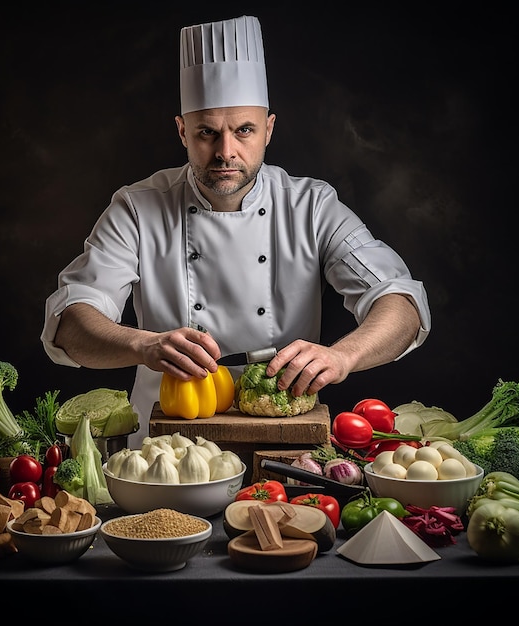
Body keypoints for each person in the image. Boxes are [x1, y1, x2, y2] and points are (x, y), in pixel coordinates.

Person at [41, 15, 431, 448]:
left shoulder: (312, 205)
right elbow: (70, 324)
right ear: (183, 131)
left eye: (244, 130)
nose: (226, 152)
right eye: (207, 132)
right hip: (166, 444)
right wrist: (142, 345)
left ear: (268, 130)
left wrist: (343, 356)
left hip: (287, 439)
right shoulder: (136, 207)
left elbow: (399, 301)